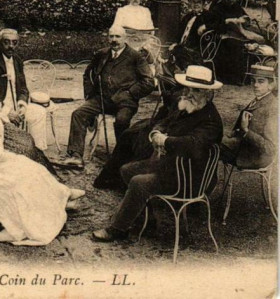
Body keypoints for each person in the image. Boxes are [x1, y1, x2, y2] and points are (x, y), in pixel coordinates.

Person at [0, 74, 85, 246]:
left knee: (31, 167)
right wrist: (6, 154)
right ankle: (20, 225)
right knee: (29, 171)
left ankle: (61, 196)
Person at [92, 65, 223, 242]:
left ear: (208, 94)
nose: (189, 93)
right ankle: (147, 220)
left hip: (190, 178)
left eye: (196, 90)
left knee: (139, 182)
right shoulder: (187, 106)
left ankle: (118, 229)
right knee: (127, 169)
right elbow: (164, 121)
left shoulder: (211, 120)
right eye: (188, 88)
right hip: (171, 166)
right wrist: (156, 133)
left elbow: (192, 144)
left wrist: (165, 141)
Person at [59, 25, 154, 169]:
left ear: (125, 38)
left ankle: (121, 157)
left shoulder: (136, 57)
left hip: (125, 102)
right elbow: (88, 74)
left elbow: (148, 82)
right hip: (101, 99)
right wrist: (89, 94)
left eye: (118, 37)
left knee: (122, 120)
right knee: (78, 114)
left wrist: (130, 93)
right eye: (111, 36)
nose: (114, 40)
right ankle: (75, 156)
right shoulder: (102, 54)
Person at [220, 64, 278, 169]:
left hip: (254, 156)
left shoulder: (273, 107)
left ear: (271, 84)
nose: (255, 85)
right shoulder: (259, 99)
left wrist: (246, 130)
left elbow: (270, 149)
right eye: (253, 81)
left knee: (209, 146)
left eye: (261, 81)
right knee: (209, 140)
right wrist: (234, 133)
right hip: (243, 147)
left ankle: (204, 178)